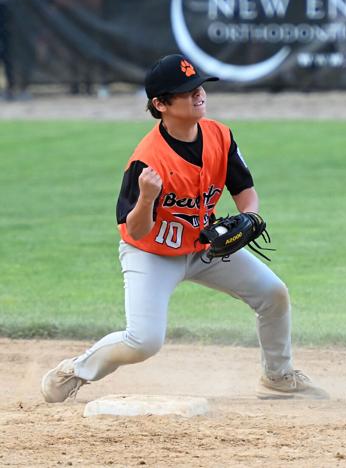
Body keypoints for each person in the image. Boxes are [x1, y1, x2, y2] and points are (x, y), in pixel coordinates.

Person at [41, 54, 328, 402]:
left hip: (206, 248)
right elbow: (135, 232)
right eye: (187, 90)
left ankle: (278, 377)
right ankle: (73, 371)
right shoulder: (147, 159)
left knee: (273, 293)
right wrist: (147, 198)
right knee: (143, 341)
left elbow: (245, 193)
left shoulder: (219, 135)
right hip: (152, 254)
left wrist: (249, 217)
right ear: (160, 104)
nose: (199, 94)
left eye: (199, 86)